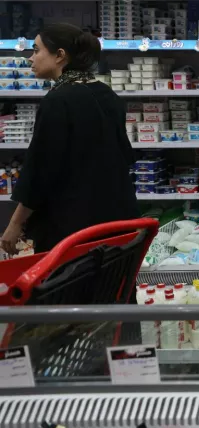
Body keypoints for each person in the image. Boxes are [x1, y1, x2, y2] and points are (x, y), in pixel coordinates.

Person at [1, 24, 137, 255]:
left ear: (60, 56)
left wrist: (15, 223)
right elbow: (124, 155)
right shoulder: (107, 94)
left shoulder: (58, 101)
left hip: (74, 228)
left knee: (69, 288)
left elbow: (40, 172)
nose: (30, 58)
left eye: (36, 50)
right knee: (112, 286)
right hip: (118, 221)